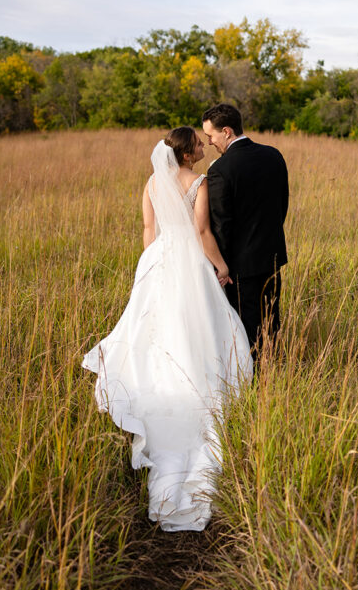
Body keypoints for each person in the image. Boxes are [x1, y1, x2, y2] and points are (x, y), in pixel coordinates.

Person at [82, 127, 252, 532]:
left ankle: (160, 385)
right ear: (190, 154)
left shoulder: (152, 182)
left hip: (158, 259)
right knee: (201, 326)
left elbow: (148, 230)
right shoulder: (199, 181)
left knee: (154, 332)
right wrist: (222, 266)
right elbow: (202, 232)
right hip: (190, 260)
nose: (201, 146)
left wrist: (152, 264)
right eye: (198, 142)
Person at [201, 103, 289, 358]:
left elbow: (221, 224)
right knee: (271, 323)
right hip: (272, 256)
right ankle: (272, 373)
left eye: (211, 135)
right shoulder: (274, 155)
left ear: (226, 131)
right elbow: (281, 206)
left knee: (244, 329)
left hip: (239, 267)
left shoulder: (220, 169)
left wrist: (220, 265)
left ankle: (250, 381)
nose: (209, 142)